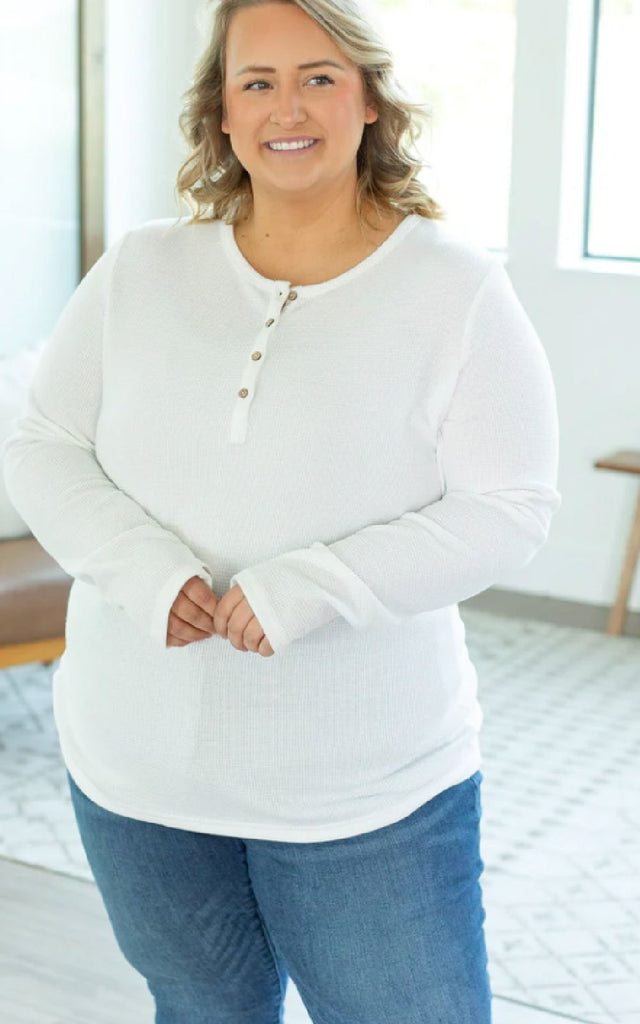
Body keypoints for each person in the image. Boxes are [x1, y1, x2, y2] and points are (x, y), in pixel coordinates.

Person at [2, 0, 561, 1021]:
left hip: (364, 792)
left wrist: (316, 583)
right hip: (135, 775)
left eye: (318, 75)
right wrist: (140, 567)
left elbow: (509, 505)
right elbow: (40, 443)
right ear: (220, 110)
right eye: (256, 80)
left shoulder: (456, 290)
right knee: (201, 1009)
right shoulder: (141, 267)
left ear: (371, 101)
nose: (285, 106)